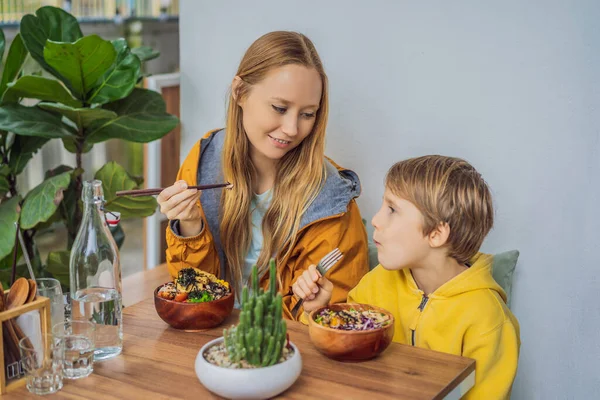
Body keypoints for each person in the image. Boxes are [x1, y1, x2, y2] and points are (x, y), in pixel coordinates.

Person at [157, 31, 368, 320]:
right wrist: (190, 227)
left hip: (281, 349)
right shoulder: (203, 161)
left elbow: (337, 318)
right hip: (208, 338)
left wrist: (315, 309)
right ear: (240, 92)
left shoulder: (331, 201)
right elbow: (193, 294)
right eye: (280, 108)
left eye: (308, 114)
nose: (293, 129)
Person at [293, 155, 520, 398]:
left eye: (392, 209)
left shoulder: (488, 320)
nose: (377, 220)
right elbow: (342, 357)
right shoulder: (378, 281)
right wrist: (316, 312)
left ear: (436, 234)